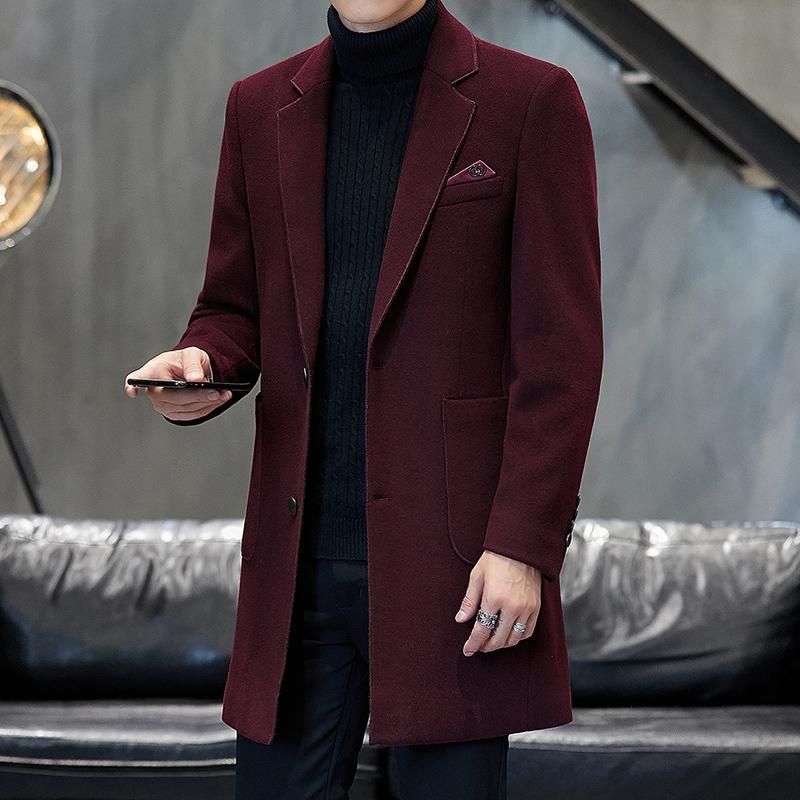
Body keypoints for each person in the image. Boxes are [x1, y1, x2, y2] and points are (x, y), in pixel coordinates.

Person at [125, 0, 603, 797]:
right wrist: (201, 361)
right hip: (297, 566)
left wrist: (523, 544)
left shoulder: (532, 99)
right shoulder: (258, 106)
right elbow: (232, 308)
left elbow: (561, 355)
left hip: (456, 568)